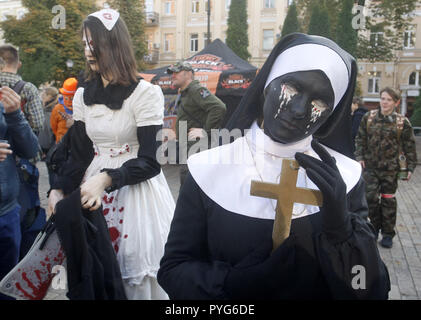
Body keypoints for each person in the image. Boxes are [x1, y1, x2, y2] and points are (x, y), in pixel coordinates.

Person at [157, 33, 390, 300]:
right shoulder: (208, 168)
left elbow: (371, 290)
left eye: (320, 101)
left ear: (330, 115)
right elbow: (173, 270)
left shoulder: (345, 178)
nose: (300, 109)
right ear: (267, 85)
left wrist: (343, 232)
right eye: (292, 88)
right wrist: (234, 284)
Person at [47, 8, 175, 300]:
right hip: (91, 192)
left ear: (114, 45)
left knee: (133, 266)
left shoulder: (146, 93)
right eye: (84, 44)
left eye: (95, 43)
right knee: (96, 268)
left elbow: (151, 160)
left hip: (137, 194)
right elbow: (78, 154)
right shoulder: (82, 95)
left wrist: (106, 179)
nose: (88, 51)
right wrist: (57, 189)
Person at [355, 87, 417, 249]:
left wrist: (410, 167)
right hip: (371, 168)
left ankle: (388, 234)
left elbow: (409, 147)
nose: (384, 102)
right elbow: (360, 139)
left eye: (388, 99)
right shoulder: (369, 117)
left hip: (391, 170)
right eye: (382, 98)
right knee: (370, 199)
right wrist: (359, 157)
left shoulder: (402, 123)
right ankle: (374, 229)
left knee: (388, 201)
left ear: (396, 102)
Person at [0, 86, 39, 300]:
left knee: (7, 287)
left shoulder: (3, 104)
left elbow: (31, 151)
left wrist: (15, 115)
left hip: (7, 213)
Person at [166, 61, 226, 186]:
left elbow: (219, 107)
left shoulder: (195, 89)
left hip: (196, 151)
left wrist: (206, 131)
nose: (173, 76)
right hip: (189, 150)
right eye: (172, 73)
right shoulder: (185, 93)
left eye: (176, 72)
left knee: (191, 192)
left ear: (188, 74)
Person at [50, 78, 78, 143]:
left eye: (72, 98)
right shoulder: (58, 108)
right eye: (66, 98)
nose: (68, 102)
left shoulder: (82, 108)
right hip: (61, 143)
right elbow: (54, 127)